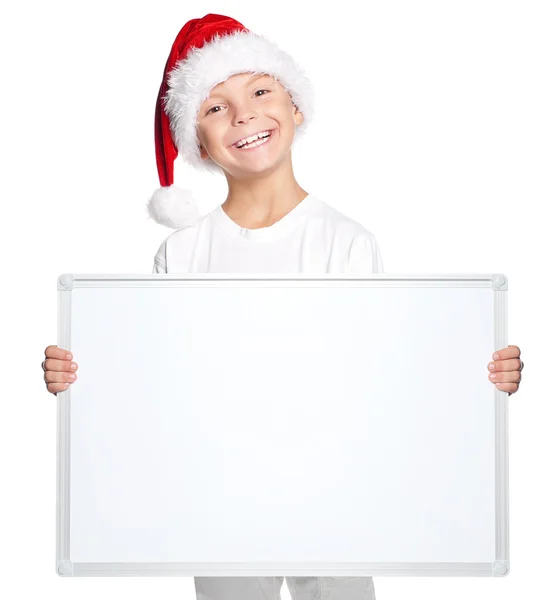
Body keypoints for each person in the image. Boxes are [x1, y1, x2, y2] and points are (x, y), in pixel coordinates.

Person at [41, 13, 524, 600]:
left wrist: (474, 372)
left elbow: (383, 372)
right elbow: (160, 380)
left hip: (333, 491)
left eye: (260, 91)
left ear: (295, 107)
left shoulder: (346, 241)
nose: (244, 114)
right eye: (215, 106)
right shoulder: (183, 251)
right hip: (220, 498)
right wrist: (84, 375)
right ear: (196, 139)